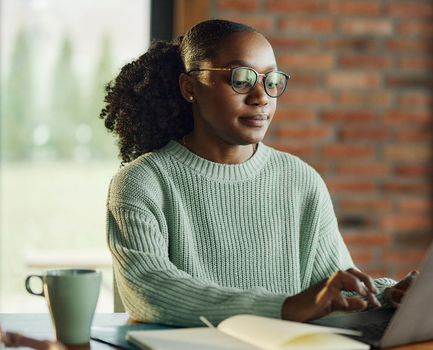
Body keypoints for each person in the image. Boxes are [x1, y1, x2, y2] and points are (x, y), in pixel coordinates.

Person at [101, 19, 414, 327]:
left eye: (271, 80)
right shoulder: (142, 183)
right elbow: (149, 291)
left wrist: (389, 293)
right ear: (190, 87)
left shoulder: (300, 180)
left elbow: (332, 285)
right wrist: (285, 307)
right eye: (241, 79)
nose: (261, 96)